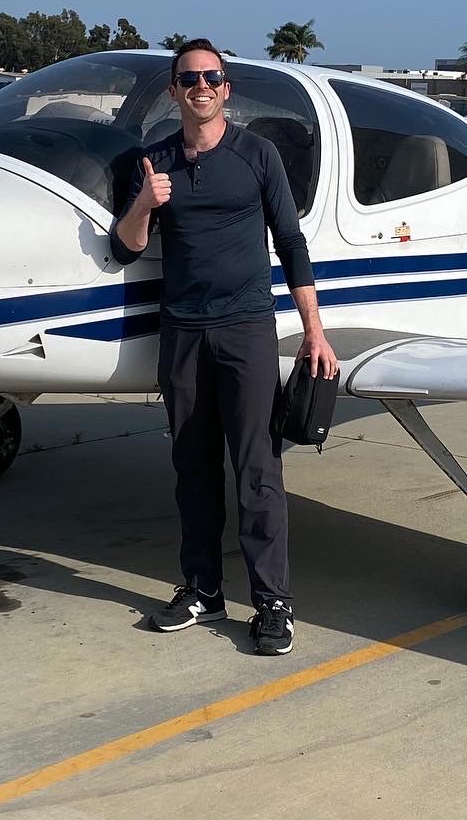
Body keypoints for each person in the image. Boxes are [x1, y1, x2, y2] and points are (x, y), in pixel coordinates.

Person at [110, 38, 336, 656]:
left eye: (211, 78)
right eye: (188, 79)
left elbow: (291, 244)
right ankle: (202, 588)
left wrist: (314, 330)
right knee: (193, 467)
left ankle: (272, 603)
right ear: (175, 90)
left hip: (246, 330)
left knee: (257, 470)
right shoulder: (154, 162)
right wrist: (144, 204)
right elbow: (126, 246)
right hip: (182, 330)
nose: (200, 87)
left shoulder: (257, 154)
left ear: (226, 89)